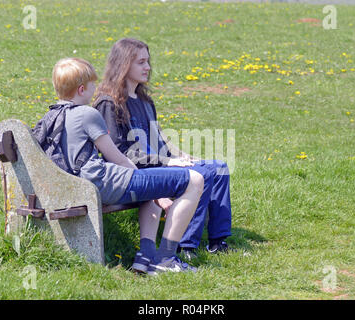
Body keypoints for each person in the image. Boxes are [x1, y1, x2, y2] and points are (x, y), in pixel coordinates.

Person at [48, 57, 204, 275]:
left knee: (149, 187)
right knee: (195, 179)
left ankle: (145, 257)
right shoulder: (87, 114)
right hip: (102, 182)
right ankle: (166, 258)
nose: (95, 90)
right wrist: (158, 193)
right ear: (82, 89)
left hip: (76, 185)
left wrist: (150, 187)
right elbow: (118, 159)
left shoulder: (52, 116)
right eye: (92, 85)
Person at [93, 38, 233, 259]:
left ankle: (218, 241)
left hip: (162, 162)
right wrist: (168, 162)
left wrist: (181, 155)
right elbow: (121, 154)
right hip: (136, 171)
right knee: (201, 174)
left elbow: (159, 138)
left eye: (148, 61)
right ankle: (185, 246)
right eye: (141, 62)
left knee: (219, 168)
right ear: (123, 64)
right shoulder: (109, 103)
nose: (147, 67)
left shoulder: (144, 100)